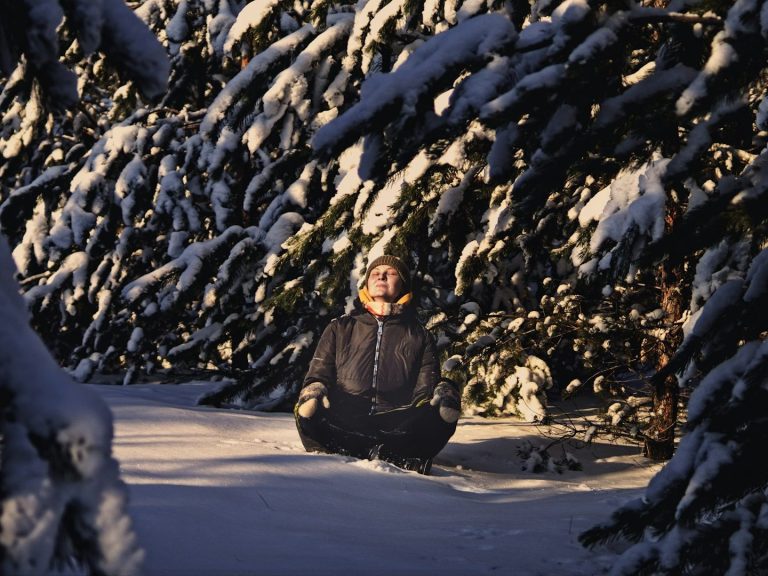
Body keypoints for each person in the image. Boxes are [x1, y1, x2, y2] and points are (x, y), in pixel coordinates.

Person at [294, 254, 461, 474]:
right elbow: (318, 376)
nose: (381, 276)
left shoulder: (420, 336)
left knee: (443, 401)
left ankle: (377, 451)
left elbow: (424, 394)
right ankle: (391, 456)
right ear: (366, 284)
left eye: (390, 273)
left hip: (396, 426)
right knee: (308, 407)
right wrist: (314, 389)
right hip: (344, 421)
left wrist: (439, 398)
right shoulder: (339, 328)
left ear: (402, 285)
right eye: (375, 273)